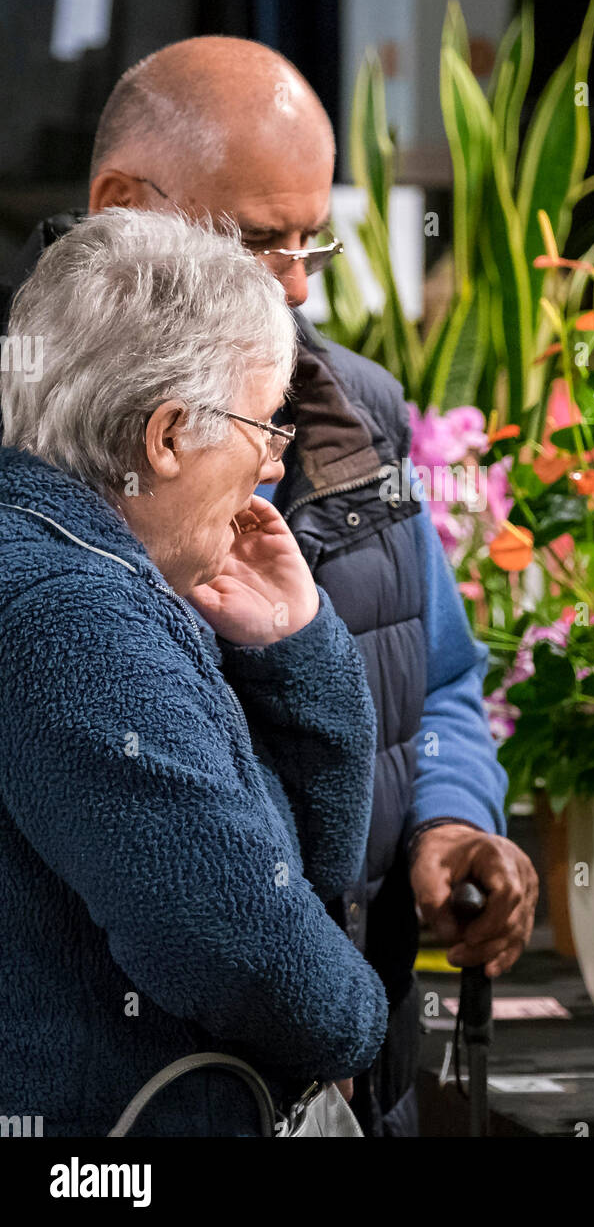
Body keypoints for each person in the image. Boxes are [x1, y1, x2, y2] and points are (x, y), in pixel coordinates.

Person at [0, 36, 539, 1137]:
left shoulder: (361, 408)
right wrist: (330, 1003)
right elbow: (224, 924)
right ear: (121, 202)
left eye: (312, 243)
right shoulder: (59, 575)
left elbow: (436, 677)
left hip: (319, 1072)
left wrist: (447, 817)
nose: (293, 284)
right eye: (256, 241)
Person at [0, 208, 388, 1136]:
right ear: (168, 437)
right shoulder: (67, 610)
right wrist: (365, 1028)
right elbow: (244, 945)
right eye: (266, 426)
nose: (270, 466)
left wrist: (292, 649)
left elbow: (310, 870)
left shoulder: (85, 573)